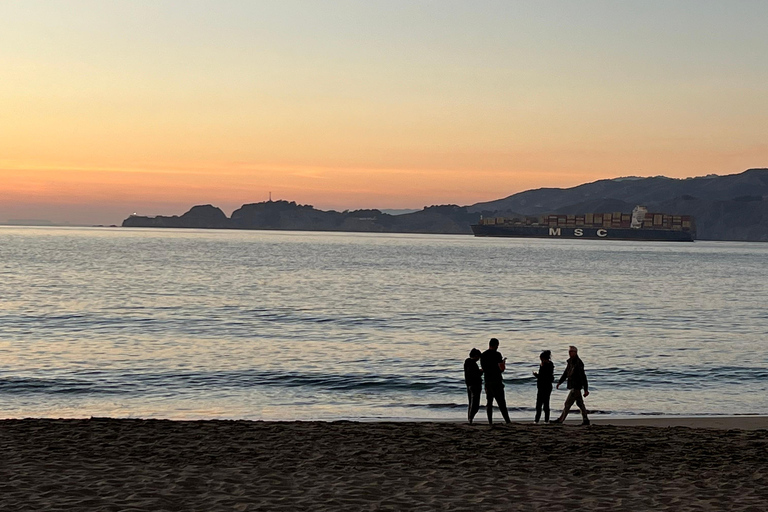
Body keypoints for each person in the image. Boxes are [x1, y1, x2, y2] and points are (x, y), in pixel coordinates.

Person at [551, 345, 590, 426]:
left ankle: (561, 420)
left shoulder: (578, 363)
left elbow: (583, 376)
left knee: (567, 404)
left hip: (576, 387)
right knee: (580, 404)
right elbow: (566, 373)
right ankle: (586, 419)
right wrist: (560, 382)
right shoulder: (571, 362)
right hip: (574, 386)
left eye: (571, 351)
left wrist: (586, 389)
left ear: (575, 352)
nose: (569, 353)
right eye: (569, 351)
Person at [480, 338, 511, 425]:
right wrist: (503, 363)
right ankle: (507, 421)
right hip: (497, 380)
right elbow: (501, 369)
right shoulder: (497, 354)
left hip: (488, 381)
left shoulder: (483, 355)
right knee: (501, 402)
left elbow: (484, 369)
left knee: (489, 402)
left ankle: (490, 421)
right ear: (496, 345)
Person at [532, 350, 554, 423]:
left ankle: (538, 420)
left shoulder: (546, 365)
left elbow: (543, 376)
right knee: (544, 404)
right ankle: (544, 420)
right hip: (545, 386)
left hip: (544, 386)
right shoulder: (548, 365)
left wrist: (537, 375)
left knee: (541, 404)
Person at [464, 348, 483, 424]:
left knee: (471, 403)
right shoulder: (472, 364)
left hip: (469, 384)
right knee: (475, 404)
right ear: (475, 356)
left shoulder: (467, 363)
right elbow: (475, 374)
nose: (478, 359)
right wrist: (480, 371)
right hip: (475, 385)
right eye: (478, 357)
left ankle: (470, 418)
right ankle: (470, 419)